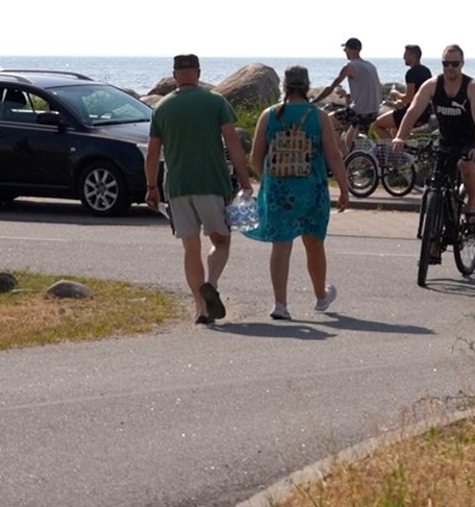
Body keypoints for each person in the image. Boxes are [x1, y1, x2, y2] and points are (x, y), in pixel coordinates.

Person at [145, 54, 257, 325]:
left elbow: (152, 152)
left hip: (178, 185)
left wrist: (151, 187)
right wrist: (245, 181)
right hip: (211, 183)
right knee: (221, 240)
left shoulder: (162, 108)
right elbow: (232, 142)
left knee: (190, 248)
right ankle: (212, 283)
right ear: (198, 73)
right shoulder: (215, 101)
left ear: (174, 76)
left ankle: (201, 310)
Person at [246, 66, 354, 319]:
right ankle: (320, 296)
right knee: (314, 243)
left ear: (283, 85)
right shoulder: (318, 116)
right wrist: (345, 189)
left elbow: (255, 158)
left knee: (281, 246)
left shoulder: (269, 115)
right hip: (311, 188)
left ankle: (280, 305)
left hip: (279, 190)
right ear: (307, 86)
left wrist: (269, 181)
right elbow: (334, 156)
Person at [390, 43, 475, 263]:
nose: (450, 68)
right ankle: (434, 242)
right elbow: (413, 111)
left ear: (462, 64)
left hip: (468, 141)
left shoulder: (472, 87)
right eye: (446, 63)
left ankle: (472, 205)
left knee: (466, 166)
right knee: (437, 185)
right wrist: (400, 136)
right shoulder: (432, 85)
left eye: (455, 64)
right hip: (445, 141)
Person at [313, 37, 382, 150]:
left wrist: (314, 101)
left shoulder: (349, 66)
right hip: (373, 112)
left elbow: (331, 87)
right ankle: (348, 160)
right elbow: (367, 89)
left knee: (326, 122)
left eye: (345, 49)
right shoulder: (370, 65)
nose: (345, 52)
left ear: (351, 49)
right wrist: (347, 95)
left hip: (359, 111)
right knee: (348, 142)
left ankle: (337, 154)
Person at [373, 43, 434, 138]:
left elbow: (409, 98)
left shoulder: (411, 73)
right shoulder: (426, 71)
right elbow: (417, 96)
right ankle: (402, 148)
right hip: (426, 112)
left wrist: (396, 93)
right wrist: (401, 102)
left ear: (412, 56)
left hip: (413, 113)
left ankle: (394, 151)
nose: (403, 57)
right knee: (395, 128)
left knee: (377, 125)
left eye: (405, 55)